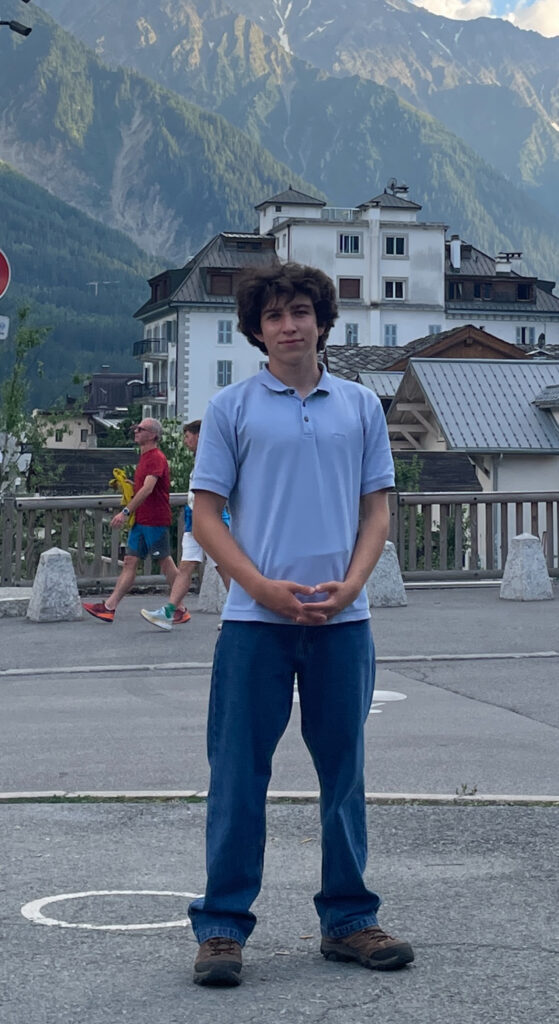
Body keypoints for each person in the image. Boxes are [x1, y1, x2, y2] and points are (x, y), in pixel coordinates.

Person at [187, 262, 414, 986]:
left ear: (322, 321)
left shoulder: (360, 406)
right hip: (254, 621)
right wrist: (259, 587)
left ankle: (348, 919)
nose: (289, 326)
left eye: (301, 312)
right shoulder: (230, 407)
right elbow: (205, 514)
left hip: (343, 621)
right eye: (274, 316)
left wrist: (352, 586)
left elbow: (376, 511)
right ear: (257, 331)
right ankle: (222, 927)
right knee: (237, 774)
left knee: (343, 772)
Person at [83, 417, 185, 624]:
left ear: (153, 435)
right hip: (141, 519)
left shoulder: (156, 458)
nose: (136, 431)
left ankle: (179, 608)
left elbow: (148, 489)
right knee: (130, 561)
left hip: (154, 519)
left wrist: (125, 512)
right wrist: (129, 485)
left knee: (165, 562)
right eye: (136, 428)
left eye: (141, 429)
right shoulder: (145, 457)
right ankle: (109, 607)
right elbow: (144, 487)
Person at [140, 419, 230, 631]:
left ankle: (237, 610)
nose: (185, 441)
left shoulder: (212, 458)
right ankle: (169, 612)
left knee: (222, 566)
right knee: (186, 566)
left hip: (210, 517)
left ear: (199, 436)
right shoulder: (201, 459)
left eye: (188, 436)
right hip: (193, 517)